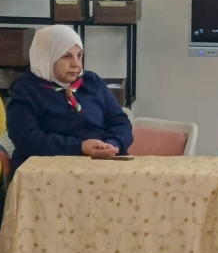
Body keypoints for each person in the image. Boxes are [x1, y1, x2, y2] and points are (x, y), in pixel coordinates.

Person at [7, 25, 133, 175]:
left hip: (101, 165)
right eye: (66, 56)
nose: (76, 64)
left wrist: (111, 144)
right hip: (48, 172)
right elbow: (27, 139)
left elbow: (120, 122)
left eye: (79, 55)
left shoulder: (92, 81)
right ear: (47, 57)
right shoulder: (26, 89)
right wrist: (80, 148)